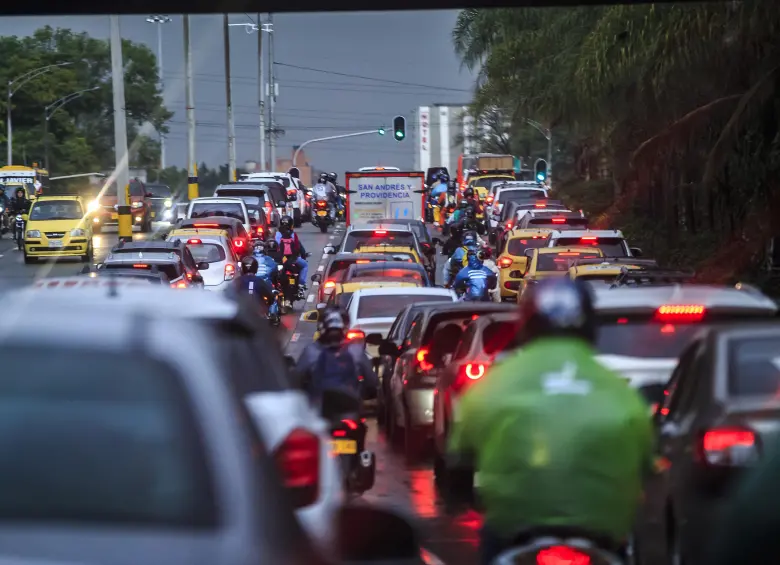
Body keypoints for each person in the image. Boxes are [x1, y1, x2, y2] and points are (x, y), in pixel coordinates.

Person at [446, 277, 655, 564]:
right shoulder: (619, 392)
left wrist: (457, 495)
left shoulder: (495, 385)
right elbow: (648, 464)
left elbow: (458, 454)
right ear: (590, 326)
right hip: (601, 536)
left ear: (527, 325)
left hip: (513, 532)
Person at [293, 306, 378, 407]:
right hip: (334, 410)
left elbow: (296, 381)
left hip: (328, 410)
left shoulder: (311, 351)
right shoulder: (355, 351)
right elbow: (372, 383)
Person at [274, 215, 309, 296]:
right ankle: (301, 284)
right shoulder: (293, 234)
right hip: (292, 259)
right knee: (305, 265)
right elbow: (299, 247)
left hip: (281, 259)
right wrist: (303, 256)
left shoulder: (277, 234)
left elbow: (274, 247)